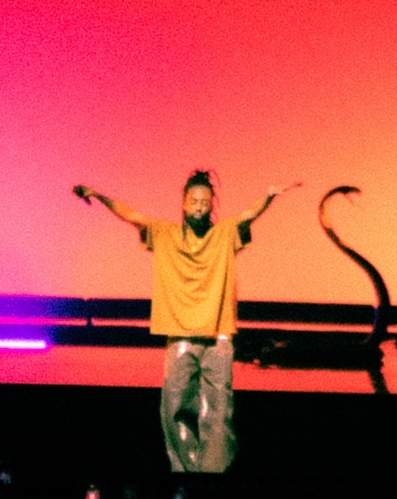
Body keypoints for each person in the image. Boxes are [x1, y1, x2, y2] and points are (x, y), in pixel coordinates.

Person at [73, 172, 282, 472]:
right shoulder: (164, 234)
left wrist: (269, 196)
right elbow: (132, 216)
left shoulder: (224, 234)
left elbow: (248, 215)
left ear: (212, 205)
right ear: (184, 203)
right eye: (194, 201)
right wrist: (99, 195)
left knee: (218, 408)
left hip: (218, 336)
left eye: (205, 202)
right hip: (180, 335)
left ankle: (213, 474)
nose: (199, 206)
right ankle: (185, 472)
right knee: (175, 406)